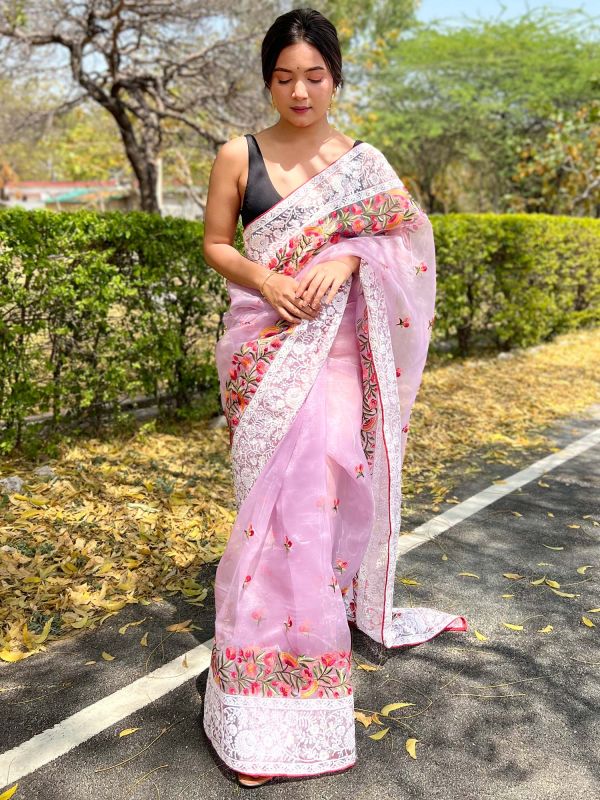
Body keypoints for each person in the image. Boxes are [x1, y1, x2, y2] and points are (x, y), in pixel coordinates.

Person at [201, 6, 468, 787]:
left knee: (308, 506)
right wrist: (268, 277)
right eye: (284, 78)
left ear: (336, 77)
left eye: (314, 76)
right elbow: (217, 241)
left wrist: (349, 260)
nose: (300, 91)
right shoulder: (236, 154)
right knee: (268, 513)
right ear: (267, 81)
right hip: (263, 352)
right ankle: (253, 692)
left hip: (340, 357)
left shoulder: (362, 163)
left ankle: (295, 694)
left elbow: (405, 243)